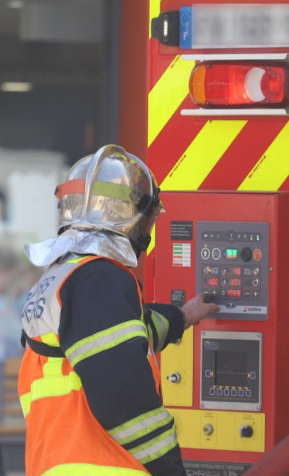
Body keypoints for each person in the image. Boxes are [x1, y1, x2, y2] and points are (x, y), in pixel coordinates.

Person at [18, 145, 220, 475]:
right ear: (135, 220)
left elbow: (126, 334)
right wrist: (169, 468)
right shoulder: (97, 280)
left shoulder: (64, 278)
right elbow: (121, 390)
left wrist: (183, 316)